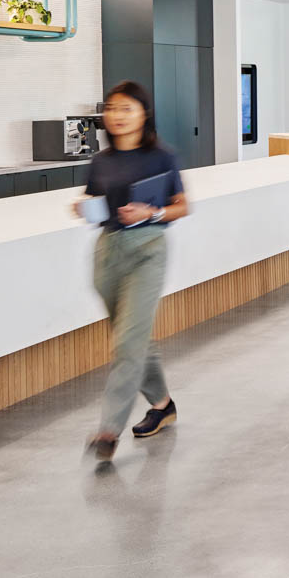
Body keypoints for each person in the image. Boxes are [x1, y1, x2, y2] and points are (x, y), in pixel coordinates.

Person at [74, 81, 189, 463]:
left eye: (126, 108)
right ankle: (162, 404)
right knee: (134, 340)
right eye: (112, 108)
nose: (117, 115)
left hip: (148, 251)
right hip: (108, 253)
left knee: (127, 344)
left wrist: (151, 213)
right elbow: (97, 201)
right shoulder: (101, 160)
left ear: (144, 114)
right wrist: (85, 207)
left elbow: (182, 207)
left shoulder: (162, 157)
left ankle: (109, 430)